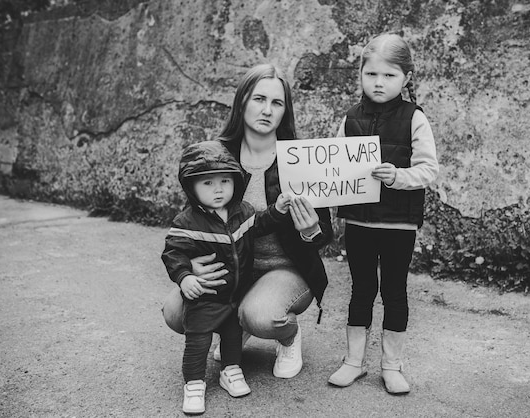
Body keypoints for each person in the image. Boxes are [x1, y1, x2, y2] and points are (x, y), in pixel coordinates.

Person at [161, 64, 333, 383]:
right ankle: (235, 326)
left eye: (277, 103)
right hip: (235, 268)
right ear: (242, 102)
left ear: (285, 111)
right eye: (259, 99)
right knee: (175, 311)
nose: (267, 110)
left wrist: (310, 230)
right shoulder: (217, 155)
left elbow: (323, 234)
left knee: (259, 315)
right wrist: (191, 266)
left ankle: (288, 337)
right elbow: (193, 223)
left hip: (286, 269)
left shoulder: (299, 157)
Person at [327, 33, 439, 394]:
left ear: (406, 77)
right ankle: (353, 362)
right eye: (371, 74)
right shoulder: (350, 118)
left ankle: (392, 365)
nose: (379, 83)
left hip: (398, 223)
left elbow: (428, 169)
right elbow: (333, 165)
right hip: (358, 221)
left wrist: (398, 177)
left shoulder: (414, 118)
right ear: (360, 73)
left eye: (389, 76)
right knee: (361, 290)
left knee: (394, 291)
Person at [162, 140, 292, 414]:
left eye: (224, 180)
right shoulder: (187, 223)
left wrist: (278, 210)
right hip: (205, 298)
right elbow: (173, 253)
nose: (218, 189)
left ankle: (231, 370)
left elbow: (261, 224)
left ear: (235, 181)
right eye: (207, 183)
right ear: (191, 187)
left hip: (237, 294)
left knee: (233, 338)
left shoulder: (242, 212)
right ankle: (194, 383)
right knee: (198, 342)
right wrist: (185, 277)